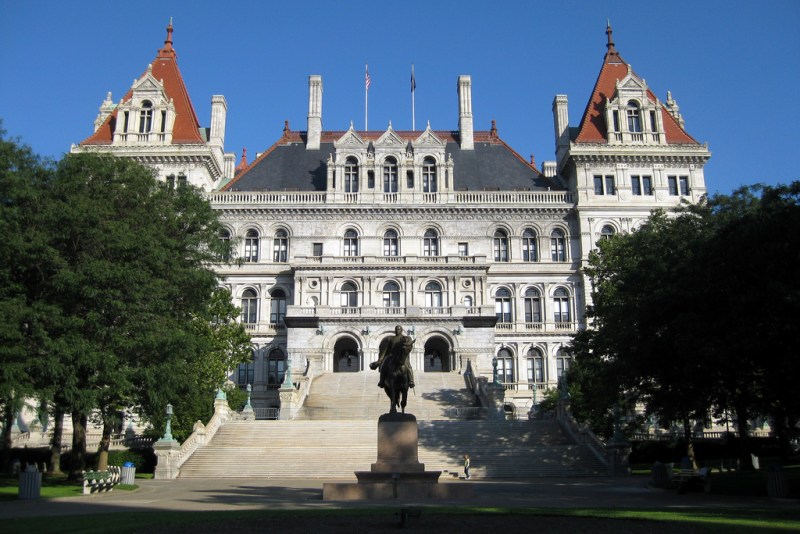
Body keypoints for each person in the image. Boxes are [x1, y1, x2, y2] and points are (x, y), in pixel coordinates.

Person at [370, 324, 415, 389]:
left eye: (399, 329)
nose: (397, 330)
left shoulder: (405, 338)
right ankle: (381, 381)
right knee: (383, 366)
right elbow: (385, 350)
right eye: (396, 329)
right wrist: (380, 360)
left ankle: (411, 381)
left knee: (409, 367)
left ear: (401, 330)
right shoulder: (391, 339)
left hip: (402, 357)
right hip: (392, 356)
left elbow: (408, 347)